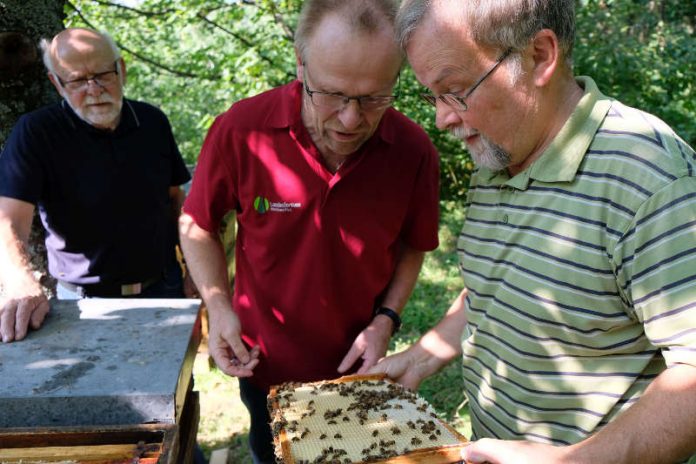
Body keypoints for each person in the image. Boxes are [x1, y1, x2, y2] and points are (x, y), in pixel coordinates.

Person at [367, 1, 696, 463]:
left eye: (455, 91)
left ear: (540, 55)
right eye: (431, 95)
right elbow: (496, 287)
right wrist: (422, 357)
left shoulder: (648, 175)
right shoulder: (498, 155)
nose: (442, 119)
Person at [179, 0, 440, 461]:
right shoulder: (242, 131)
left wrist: (386, 320)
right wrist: (218, 308)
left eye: (374, 98)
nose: (350, 120)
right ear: (301, 64)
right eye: (333, 95)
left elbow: (413, 246)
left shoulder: (414, 151)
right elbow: (197, 225)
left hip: (361, 369)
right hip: (264, 365)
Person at [0, 28, 195, 344]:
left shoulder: (153, 122)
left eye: (103, 74)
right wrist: (19, 282)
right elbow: (8, 220)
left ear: (122, 69)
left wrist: (193, 272)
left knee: (172, 391)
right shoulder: (37, 133)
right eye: (77, 81)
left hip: (165, 290)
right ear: (57, 84)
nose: (93, 89)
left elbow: (176, 201)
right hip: (82, 303)